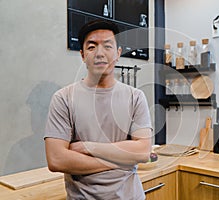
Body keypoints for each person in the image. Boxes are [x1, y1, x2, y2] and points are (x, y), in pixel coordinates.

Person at [44, 19, 152, 200]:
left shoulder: (135, 97)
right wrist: (120, 160)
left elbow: (142, 151)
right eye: (92, 47)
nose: (100, 53)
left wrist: (87, 147)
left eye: (108, 46)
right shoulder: (63, 98)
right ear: (83, 55)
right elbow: (56, 159)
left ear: (118, 53)